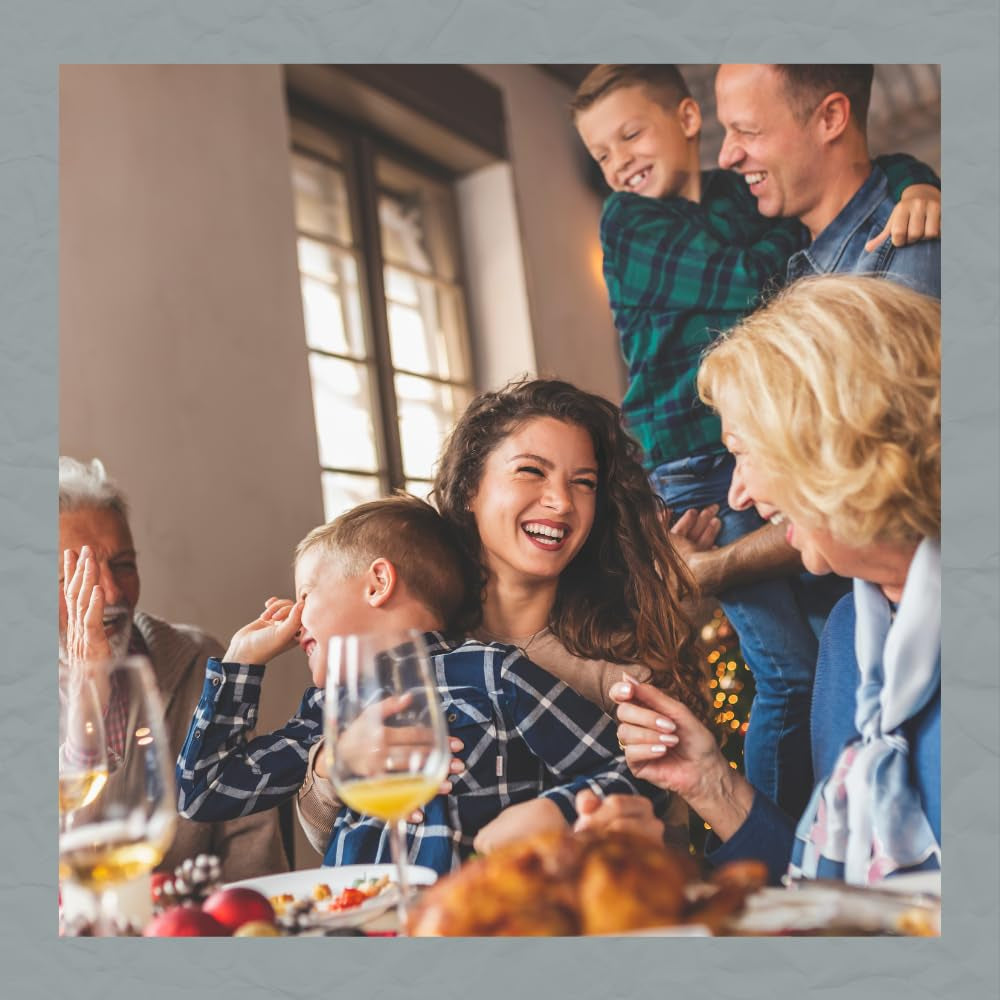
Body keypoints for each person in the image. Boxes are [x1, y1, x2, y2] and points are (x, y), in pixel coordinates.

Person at [571, 63, 940, 817]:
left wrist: (914, 180)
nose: (619, 164)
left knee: (825, 642)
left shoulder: (774, 213)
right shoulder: (629, 222)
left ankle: (813, 834)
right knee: (787, 668)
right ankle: (777, 836)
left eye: (630, 136)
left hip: (748, 457)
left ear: (685, 117)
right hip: (695, 471)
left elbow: (868, 175)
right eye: (601, 155)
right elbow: (747, 287)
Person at [612, 274, 940, 886]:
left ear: (839, 443)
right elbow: (830, 890)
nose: (739, 491)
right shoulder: (852, 632)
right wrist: (707, 781)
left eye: (744, 451)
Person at [297, 377, 709, 852]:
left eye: (584, 482)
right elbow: (326, 836)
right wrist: (334, 762)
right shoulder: (406, 642)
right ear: (471, 487)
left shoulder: (622, 668)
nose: (561, 501)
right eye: (532, 471)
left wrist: (564, 813)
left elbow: (671, 831)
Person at [175, 495, 665, 874]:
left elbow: (628, 770)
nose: (296, 620)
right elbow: (204, 791)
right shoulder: (327, 714)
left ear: (377, 583)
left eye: (306, 596)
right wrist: (240, 662)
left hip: (479, 930)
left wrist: (556, 811)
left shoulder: (493, 675)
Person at [59, 456, 288, 882]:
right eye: (80, 574)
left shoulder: (200, 658)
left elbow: (251, 847)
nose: (111, 592)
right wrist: (87, 702)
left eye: (123, 564)